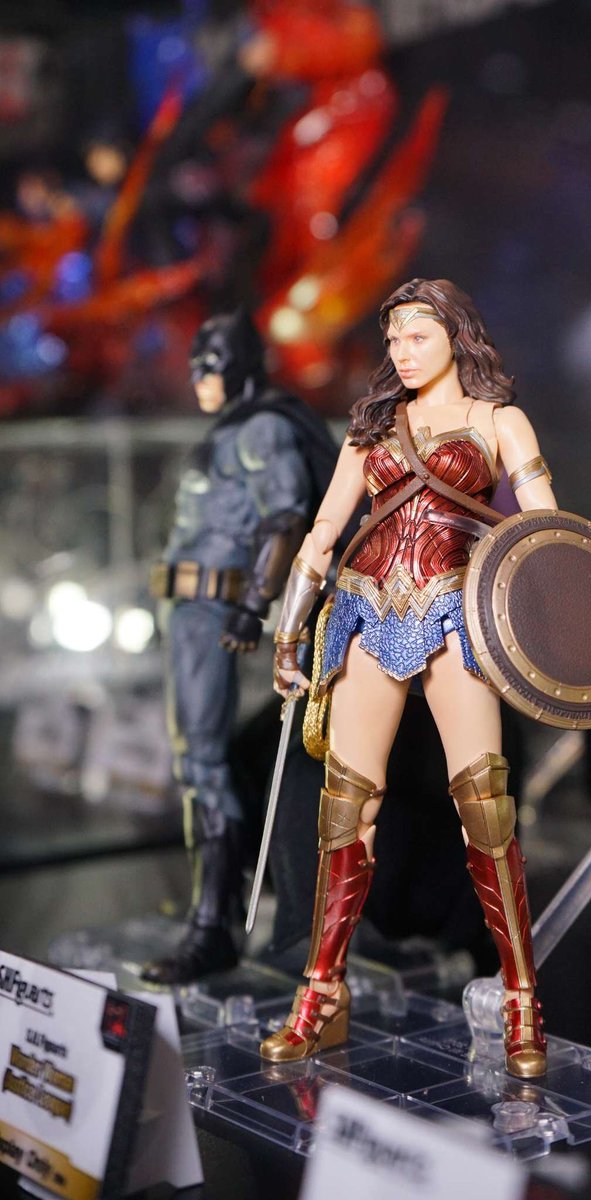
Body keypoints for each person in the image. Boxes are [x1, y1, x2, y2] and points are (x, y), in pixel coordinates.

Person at [259, 278, 557, 1078]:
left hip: (458, 609)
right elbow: (324, 532)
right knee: (346, 805)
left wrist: (557, 618)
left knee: (484, 805)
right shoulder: (372, 429)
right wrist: (288, 632)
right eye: (393, 339)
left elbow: (543, 529)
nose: (402, 352)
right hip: (368, 606)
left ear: (456, 336)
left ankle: (522, 996)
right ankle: (322, 992)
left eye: (417, 336)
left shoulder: (498, 421)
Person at [141, 310, 337, 984]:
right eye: (195, 364)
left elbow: (286, 517)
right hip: (190, 607)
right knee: (195, 760)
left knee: (202, 762)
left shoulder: (261, 428)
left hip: (214, 607)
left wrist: (255, 606)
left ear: (243, 367)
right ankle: (213, 914)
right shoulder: (232, 428)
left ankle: (212, 930)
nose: (200, 377)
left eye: (212, 364)